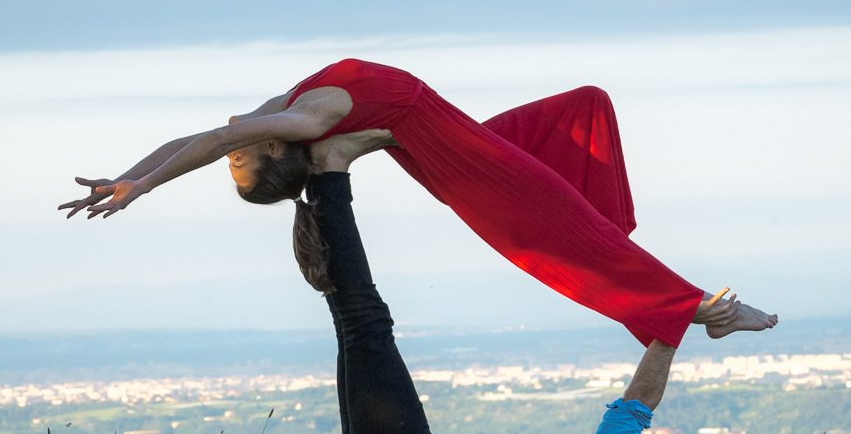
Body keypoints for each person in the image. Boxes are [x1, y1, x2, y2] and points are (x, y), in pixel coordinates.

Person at [60, 56, 777, 348]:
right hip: (465, 166)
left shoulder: (282, 108)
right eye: (241, 156)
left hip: (465, 136)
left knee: (584, 106)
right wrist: (147, 188)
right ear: (274, 150)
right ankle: (699, 310)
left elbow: (200, 135)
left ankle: (611, 235)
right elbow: (211, 143)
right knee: (568, 244)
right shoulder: (303, 121)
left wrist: (130, 177)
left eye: (236, 153)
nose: (234, 146)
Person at [294, 128, 672, 434]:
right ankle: (315, 173)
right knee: (353, 322)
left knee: (364, 321)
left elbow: (633, 411)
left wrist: (671, 322)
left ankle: (327, 169)